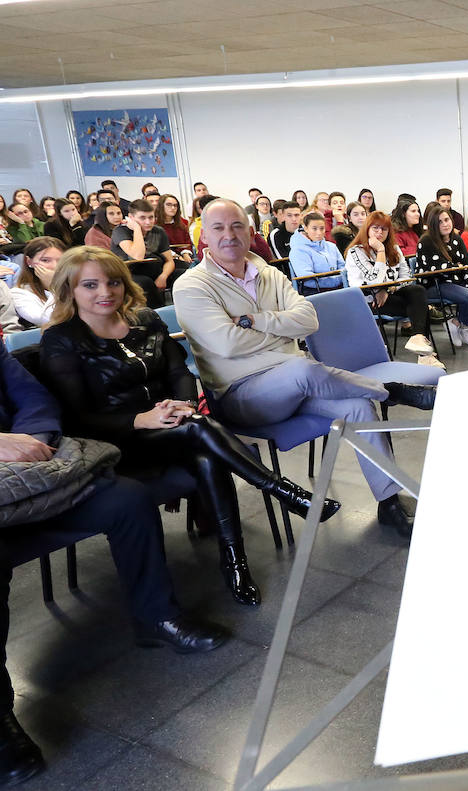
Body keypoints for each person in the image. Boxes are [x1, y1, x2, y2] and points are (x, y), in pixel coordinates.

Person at [38, 247, 342, 606]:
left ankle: (236, 564)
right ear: (69, 290)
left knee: (205, 454)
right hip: (116, 440)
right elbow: (76, 417)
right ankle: (283, 494)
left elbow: (179, 372)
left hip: (173, 423)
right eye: (90, 285)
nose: (105, 292)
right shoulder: (61, 340)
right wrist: (141, 419)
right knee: (201, 431)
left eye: (113, 282)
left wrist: (181, 403)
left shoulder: (145, 320)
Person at [0, 342, 231, 787]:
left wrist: (32, 444)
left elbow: (35, 400)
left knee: (126, 498)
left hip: (33, 476)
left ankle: (157, 616)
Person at [173, 200, 435, 537]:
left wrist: (257, 322)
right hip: (242, 395)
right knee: (304, 369)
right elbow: (225, 343)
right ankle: (392, 391)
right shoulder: (192, 286)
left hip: (295, 383)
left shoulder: (267, 272)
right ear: (204, 237)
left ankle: (389, 503)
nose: (229, 235)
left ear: (250, 232)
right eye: (218, 228)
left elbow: (308, 319)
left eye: (237, 226)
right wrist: (281, 333)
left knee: (357, 406)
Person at [344, 211, 437, 360]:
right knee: (421, 307)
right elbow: (375, 282)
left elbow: (406, 277)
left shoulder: (393, 249)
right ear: (367, 229)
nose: (380, 232)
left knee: (417, 291)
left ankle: (418, 338)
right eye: (375, 228)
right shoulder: (356, 252)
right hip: (368, 301)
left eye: (384, 229)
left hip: (390, 296)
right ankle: (426, 356)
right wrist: (380, 251)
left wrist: (389, 289)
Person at [416, 206, 468, 346]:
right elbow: (439, 269)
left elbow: (467, 264)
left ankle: (457, 323)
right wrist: (456, 267)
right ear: (434, 225)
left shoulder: (457, 239)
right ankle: (465, 326)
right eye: (440, 222)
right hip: (434, 284)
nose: (445, 224)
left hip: (456, 280)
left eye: (447, 219)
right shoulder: (426, 241)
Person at [110, 198, 190, 297]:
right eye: (142, 218)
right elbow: (138, 255)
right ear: (131, 217)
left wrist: (163, 276)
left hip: (156, 269)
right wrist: (137, 229)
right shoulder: (120, 231)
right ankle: (157, 311)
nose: (148, 222)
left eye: (151, 217)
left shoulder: (158, 231)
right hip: (131, 273)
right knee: (146, 283)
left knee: (186, 275)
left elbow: (169, 261)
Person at [290, 212, 347, 295]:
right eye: (314, 228)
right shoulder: (298, 250)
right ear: (306, 228)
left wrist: (339, 280)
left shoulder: (332, 246)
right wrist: (336, 279)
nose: (319, 232)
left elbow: (343, 268)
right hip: (315, 292)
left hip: (340, 288)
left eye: (322, 228)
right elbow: (307, 278)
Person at [12, 238, 61, 326]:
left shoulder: (76, 284)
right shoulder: (19, 293)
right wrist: (55, 286)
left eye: (60, 260)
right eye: (45, 260)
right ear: (29, 261)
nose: (55, 266)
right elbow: (47, 320)